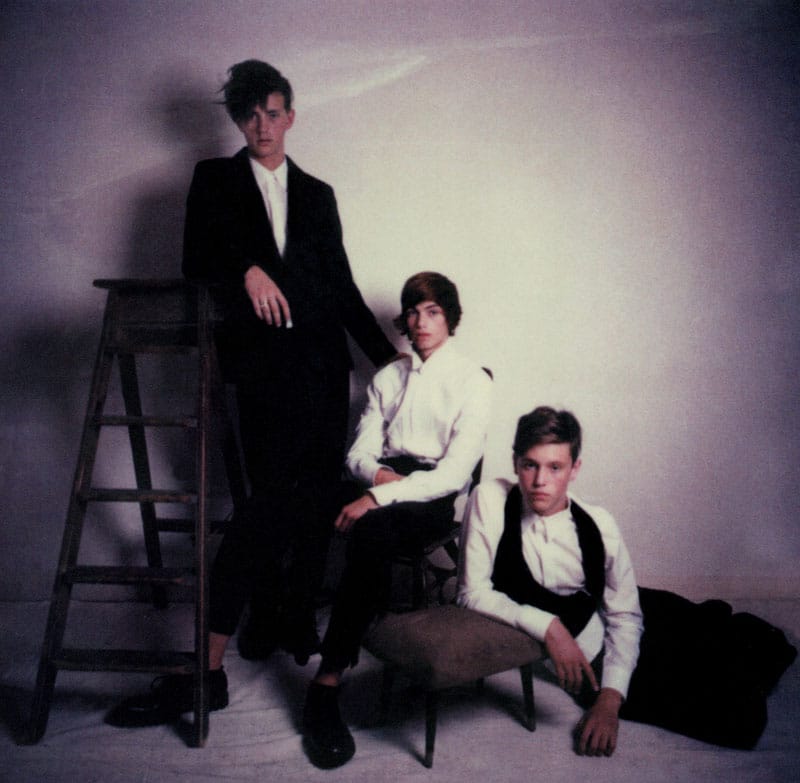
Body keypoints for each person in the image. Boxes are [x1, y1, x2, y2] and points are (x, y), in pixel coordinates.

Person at [107, 60, 397, 728]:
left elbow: (345, 289)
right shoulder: (214, 181)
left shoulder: (319, 194)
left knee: (319, 497)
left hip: (326, 371)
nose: (262, 126)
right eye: (250, 115)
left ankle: (292, 619)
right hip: (264, 370)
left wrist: (390, 365)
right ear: (237, 120)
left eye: (272, 112)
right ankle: (249, 627)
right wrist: (247, 269)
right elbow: (192, 259)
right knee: (267, 502)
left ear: (290, 116)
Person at [457, 406, 797, 756]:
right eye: (530, 465)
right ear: (515, 463)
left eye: (555, 467)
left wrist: (609, 701)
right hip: (594, 651)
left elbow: (625, 616)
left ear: (575, 469)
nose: (540, 481)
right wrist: (550, 628)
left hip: (629, 613)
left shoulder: (599, 524)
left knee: (727, 632)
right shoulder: (490, 499)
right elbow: (472, 592)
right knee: (741, 720)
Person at [301, 271, 493, 769]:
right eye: (412, 311)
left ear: (450, 317)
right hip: (386, 478)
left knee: (370, 529)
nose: (421, 321)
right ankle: (297, 624)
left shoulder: (474, 381)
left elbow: (453, 475)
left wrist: (380, 499)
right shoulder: (390, 376)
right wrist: (378, 480)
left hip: (430, 494)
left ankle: (328, 680)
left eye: (432, 311)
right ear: (403, 321)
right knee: (306, 498)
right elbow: (359, 452)